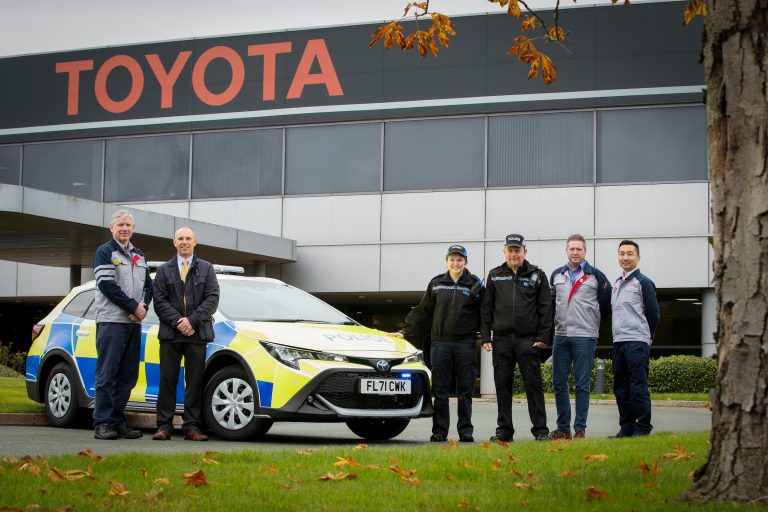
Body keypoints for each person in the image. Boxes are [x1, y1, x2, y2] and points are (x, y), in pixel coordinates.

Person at [391, 245, 483, 443]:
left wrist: (486, 338)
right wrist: (404, 330)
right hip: (440, 343)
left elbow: (484, 314)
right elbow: (422, 310)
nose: (456, 263)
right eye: (452, 259)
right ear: (446, 261)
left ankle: (465, 431)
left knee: (465, 390)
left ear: (466, 262)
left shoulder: (475, 284)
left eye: (460, 259)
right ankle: (439, 431)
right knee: (440, 390)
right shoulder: (436, 283)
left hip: (465, 343)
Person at [151, 227, 220, 441]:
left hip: (196, 334)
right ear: (174, 242)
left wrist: (192, 320)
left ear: (195, 242)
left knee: (194, 383)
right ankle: (164, 426)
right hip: (171, 335)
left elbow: (212, 299)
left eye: (188, 238)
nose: (184, 242)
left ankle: (192, 427)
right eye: (180, 238)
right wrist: (178, 322)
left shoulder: (207, 269)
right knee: (167, 380)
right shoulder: (163, 270)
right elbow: (159, 301)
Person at [481, 234, 551, 442]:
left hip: (528, 341)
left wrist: (543, 336)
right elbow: (486, 309)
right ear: (504, 252)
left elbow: (546, 308)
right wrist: (486, 335)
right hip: (501, 340)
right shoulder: (494, 275)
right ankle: (504, 431)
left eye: (517, 250)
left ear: (524, 252)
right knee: (502, 386)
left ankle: (540, 430)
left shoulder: (538, 275)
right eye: (510, 250)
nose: (514, 254)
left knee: (533, 386)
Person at [92, 210, 152, 440]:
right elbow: (107, 285)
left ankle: (117, 421)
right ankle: (102, 423)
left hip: (133, 324)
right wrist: (132, 307)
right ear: (111, 228)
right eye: (120, 225)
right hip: (111, 322)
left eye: (128, 224)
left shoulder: (139, 254)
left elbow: (149, 286)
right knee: (107, 375)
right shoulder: (105, 252)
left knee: (128, 375)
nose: (124, 228)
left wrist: (144, 307)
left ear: (133, 228)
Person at [548, 234, 611, 440]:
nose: (575, 252)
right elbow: (550, 305)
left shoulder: (597, 276)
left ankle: (580, 429)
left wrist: (592, 323)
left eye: (579, 249)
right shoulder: (557, 274)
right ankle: (563, 428)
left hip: (585, 336)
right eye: (572, 249)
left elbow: (606, 305)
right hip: (561, 336)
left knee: (582, 385)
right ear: (566, 251)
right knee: (559, 383)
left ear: (585, 252)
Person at [611, 240, 660, 437]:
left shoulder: (644, 282)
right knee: (620, 388)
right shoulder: (616, 284)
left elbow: (654, 313)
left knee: (638, 386)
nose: (625, 257)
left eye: (630, 254)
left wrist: (649, 336)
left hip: (637, 342)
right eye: (622, 254)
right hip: (619, 342)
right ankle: (627, 427)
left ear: (637, 257)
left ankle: (643, 427)